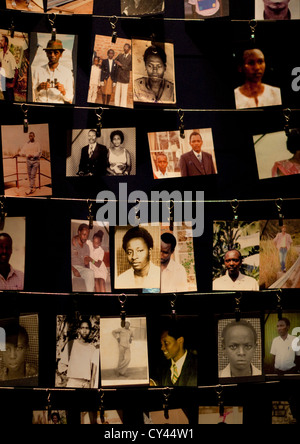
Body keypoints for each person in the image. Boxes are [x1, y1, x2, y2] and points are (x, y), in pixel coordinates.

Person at [152, 319, 198, 386]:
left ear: (180, 341)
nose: (162, 348)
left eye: (166, 343)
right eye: (161, 344)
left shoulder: (195, 365)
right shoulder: (161, 366)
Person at [57, 318, 99, 388]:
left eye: (87, 328)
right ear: (79, 330)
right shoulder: (71, 344)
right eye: (82, 328)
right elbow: (61, 365)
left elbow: (94, 372)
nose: (85, 331)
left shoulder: (93, 349)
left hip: (86, 384)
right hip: (73, 383)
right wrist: (69, 377)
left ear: (90, 330)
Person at [32, 39, 74, 104]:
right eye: (50, 52)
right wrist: (38, 88)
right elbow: (31, 95)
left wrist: (63, 91)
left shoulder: (67, 73)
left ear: (61, 54)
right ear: (46, 53)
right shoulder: (38, 70)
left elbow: (70, 98)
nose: (52, 55)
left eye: (56, 52)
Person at [71, 224, 95, 292]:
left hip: (82, 268)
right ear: (79, 232)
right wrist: (74, 270)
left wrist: (88, 262)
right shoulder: (72, 243)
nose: (85, 237)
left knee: (90, 272)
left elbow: (87, 263)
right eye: (84, 234)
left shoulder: (87, 246)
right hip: (72, 267)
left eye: (87, 235)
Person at [16, 131, 42, 195]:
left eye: (32, 136)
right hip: (28, 161)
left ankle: (30, 189)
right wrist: (17, 154)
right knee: (30, 176)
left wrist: (33, 155)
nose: (30, 137)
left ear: (34, 136)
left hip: (35, 161)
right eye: (29, 136)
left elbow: (39, 152)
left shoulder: (37, 144)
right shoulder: (27, 144)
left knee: (33, 175)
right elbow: (22, 151)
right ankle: (33, 186)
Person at [0, 34, 18, 102]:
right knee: (5, 98)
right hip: (3, 79)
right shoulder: (1, 54)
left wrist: (12, 84)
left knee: (10, 100)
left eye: (2, 41)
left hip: (9, 81)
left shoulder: (10, 56)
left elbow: (16, 71)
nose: (0, 42)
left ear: (6, 43)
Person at [114, 44, 132, 108]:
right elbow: (115, 60)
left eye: (126, 48)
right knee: (117, 93)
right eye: (124, 47)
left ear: (129, 49)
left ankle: (123, 106)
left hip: (125, 78)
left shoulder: (131, 57)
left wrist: (121, 65)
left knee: (124, 94)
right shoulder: (120, 55)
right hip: (118, 76)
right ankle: (116, 105)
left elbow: (131, 68)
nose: (124, 48)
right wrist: (116, 62)